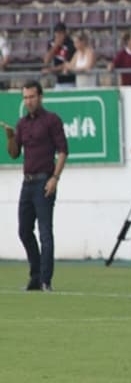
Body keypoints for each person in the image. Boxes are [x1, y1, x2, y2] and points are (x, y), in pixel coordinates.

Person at [1, 81, 68, 291]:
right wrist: (10, 136)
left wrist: (55, 178)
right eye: (25, 98)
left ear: (40, 97)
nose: (28, 101)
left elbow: (63, 151)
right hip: (27, 182)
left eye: (31, 97)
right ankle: (36, 275)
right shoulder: (22, 124)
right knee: (24, 231)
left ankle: (45, 280)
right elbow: (14, 154)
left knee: (45, 233)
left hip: (44, 180)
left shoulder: (51, 120)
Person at [43, 22, 76, 89]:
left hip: (70, 80)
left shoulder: (71, 44)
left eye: (61, 33)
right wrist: (56, 46)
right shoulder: (52, 43)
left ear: (65, 33)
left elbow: (67, 64)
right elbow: (46, 60)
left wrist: (51, 70)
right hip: (58, 81)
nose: (59, 35)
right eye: (57, 33)